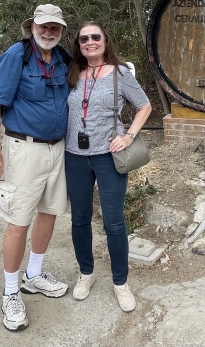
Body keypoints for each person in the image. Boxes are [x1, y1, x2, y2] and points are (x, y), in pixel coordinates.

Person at [0, 4, 71, 332]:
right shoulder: (16, 56)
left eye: (55, 28)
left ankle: (33, 275)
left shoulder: (63, 59)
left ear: (61, 31)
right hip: (23, 149)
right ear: (32, 26)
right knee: (18, 221)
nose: (49, 32)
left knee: (49, 212)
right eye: (44, 27)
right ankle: (10, 292)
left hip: (58, 150)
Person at [65, 21, 152, 312]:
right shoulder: (73, 72)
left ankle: (120, 283)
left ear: (105, 40)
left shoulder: (120, 73)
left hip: (108, 156)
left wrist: (129, 136)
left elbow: (145, 106)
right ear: (78, 45)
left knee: (113, 222)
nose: (90, 42)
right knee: (80, 218)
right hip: (74, 156)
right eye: (84, 38)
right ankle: (86, 274)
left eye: (95, 37)